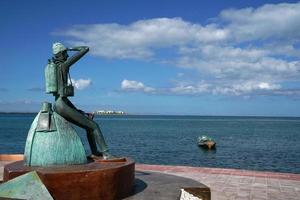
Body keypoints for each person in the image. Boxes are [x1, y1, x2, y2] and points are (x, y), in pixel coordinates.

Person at [50, 42, 113, 159]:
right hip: (63, 105)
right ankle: (107, 154)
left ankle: (94, 152)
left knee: (88, 124)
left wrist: (80, 112)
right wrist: (70, 48)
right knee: (94, 126)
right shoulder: (63, 66)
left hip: (59, 104)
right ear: (61, 54)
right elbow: (85, 49)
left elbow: (63, 99)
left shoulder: (53, 67)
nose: (67, 56)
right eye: (66, 53)